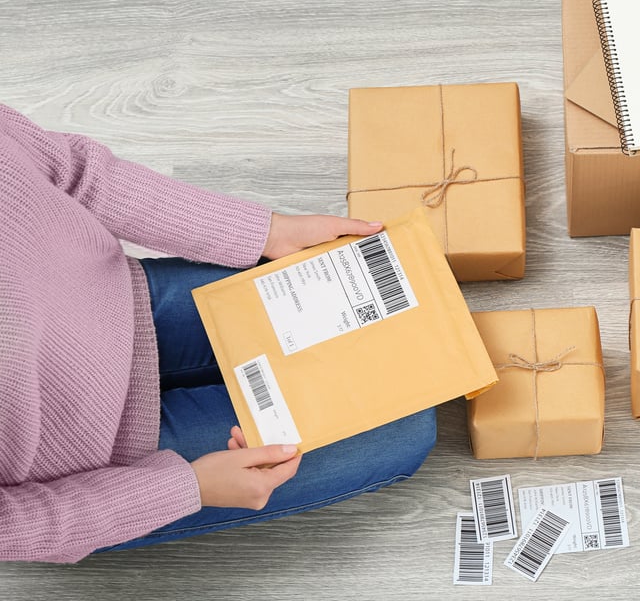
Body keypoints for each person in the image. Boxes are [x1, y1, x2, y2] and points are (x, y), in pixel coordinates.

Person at [0, 103, 437, 563]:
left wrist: (265, 233)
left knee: (401, 310)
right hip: (104, 466)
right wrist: (186, 488)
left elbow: (72, 171)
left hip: (121, 302)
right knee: (409, 426)